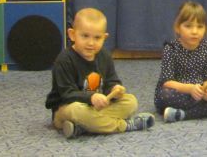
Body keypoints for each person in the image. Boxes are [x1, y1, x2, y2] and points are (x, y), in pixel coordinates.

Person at [45, 8, 154, 139]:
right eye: (85, 36)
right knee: (77, 110)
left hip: (96, 107)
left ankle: (83, 127)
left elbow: (111, 81)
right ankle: (124, 125)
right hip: (66, 108)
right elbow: (67, 94)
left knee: (131, 101)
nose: (91, 43)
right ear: (72, 34)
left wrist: (115, 89)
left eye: (97, 38)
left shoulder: (104, 56)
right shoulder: (64, 60)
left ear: (104, 38)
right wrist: (91, 97)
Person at [154, 1, 207, 122]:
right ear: (178, 27)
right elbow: (167, 82)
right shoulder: (170, 48)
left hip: (200, 95)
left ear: (205, 28)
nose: (194, 31)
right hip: (179, 94)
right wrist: (190, 89)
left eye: (200, 26)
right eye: (188, 26)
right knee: (164, 95)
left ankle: (183, 114)